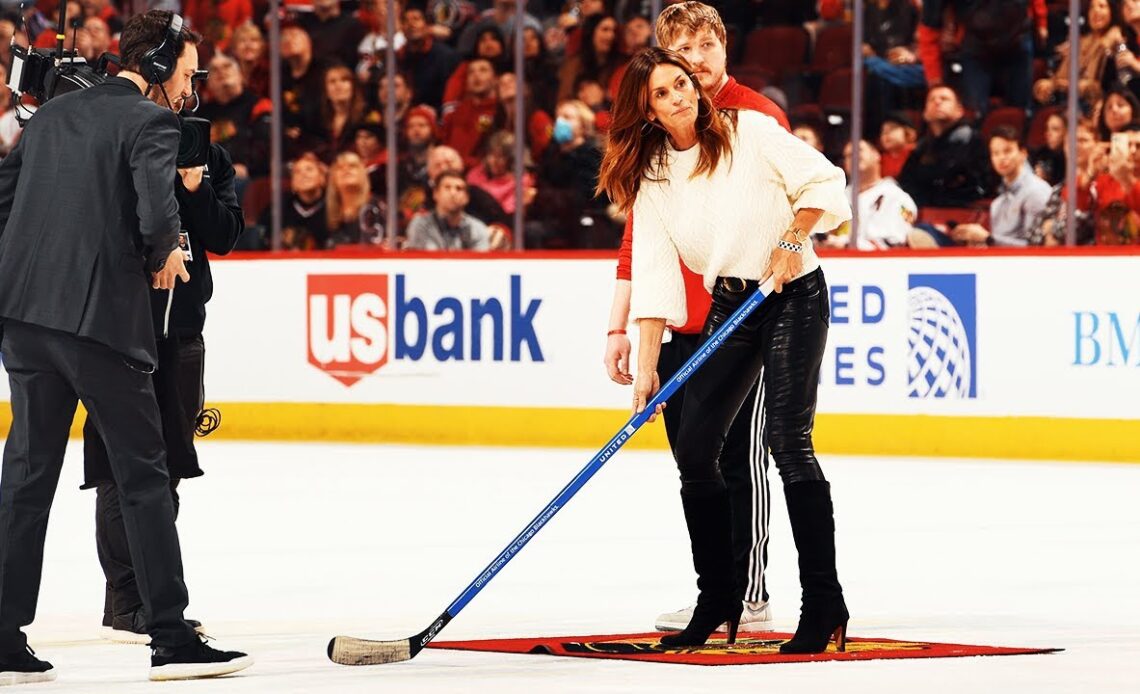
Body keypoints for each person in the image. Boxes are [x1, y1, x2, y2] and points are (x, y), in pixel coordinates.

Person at [0, 11, 252, 684]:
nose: (190, 89)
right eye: (190, 74)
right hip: (100, 324)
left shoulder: (49, 117)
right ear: (163, 67)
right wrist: (166, 249)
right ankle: (169, 635)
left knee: (26, 478)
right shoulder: (151, 122)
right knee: (144, 476)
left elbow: (4, 198)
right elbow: (152, 205)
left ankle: (1, 634)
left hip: (24, 322)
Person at [597, 46, 851, 652]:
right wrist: (648, 366)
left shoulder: (750, 131)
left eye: (680, 82)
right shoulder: (655, 172)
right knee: (695, 449)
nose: (678, 95)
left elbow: (825, 182)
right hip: (731, 303)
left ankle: (824, 602)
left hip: (791, 294)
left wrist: (794, 236)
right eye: (660, 93)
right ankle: (718, 598)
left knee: (788, 444)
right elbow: (656, 274)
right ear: (647, 111)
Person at [601, 1, 789, 636]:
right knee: (696, 463)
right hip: (675, 321)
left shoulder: (757, 118)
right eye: (683, 50)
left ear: (724, 46)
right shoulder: (664, 132)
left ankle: (752, 595)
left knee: (742, 456)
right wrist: (619, 325)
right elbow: (640, 236)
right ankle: (719, 591)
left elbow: (795, 211)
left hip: (742, 316)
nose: (698, 60)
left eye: (706, 45)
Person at [84, 137, 244, 643]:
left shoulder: (210, 157)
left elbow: (225, 235)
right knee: (116, 466)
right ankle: (126, 600)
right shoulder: (118, 145)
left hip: (184, 337)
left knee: (168, 467)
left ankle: (151, 596)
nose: (186, 90)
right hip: (120, 334)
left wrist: (194, 187)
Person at [405, 170, 492, 250]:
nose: (453, 193)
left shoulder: (478, 228)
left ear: (467, 198)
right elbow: (421, 262)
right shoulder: (420, 225)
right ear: (435, 194)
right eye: (447, 187)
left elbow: (479, 264)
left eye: (459, 188)